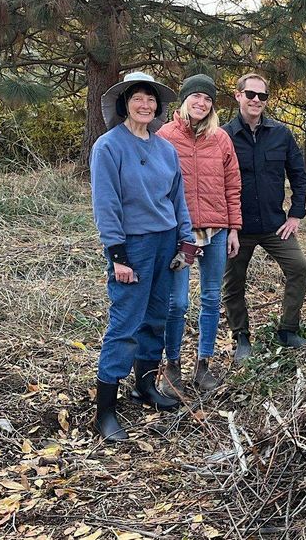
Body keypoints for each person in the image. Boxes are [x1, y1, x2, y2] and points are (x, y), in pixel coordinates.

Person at [90, 72, 196, 441]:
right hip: (132, 246)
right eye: (138, 98)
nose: (145, 104)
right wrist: (117, 254)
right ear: (124, 103)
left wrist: (187, 241)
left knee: (157, 316)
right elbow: (106, 203)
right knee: (126, 323)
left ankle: (146, 387)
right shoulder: (108, 146)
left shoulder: (165, 148)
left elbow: (178, 199)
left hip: (166, 241)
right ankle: (106, 410)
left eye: (151, 99)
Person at [155, 74, 242, 394]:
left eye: (207, 99)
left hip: (217, 230)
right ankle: (172, 366)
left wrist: (234, 228)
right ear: (184, 99)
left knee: (211, 297)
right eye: (196, 97)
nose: (201, 103)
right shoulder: (164, 135)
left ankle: (204, 365)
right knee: (177, 302)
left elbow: (233, 186)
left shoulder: (220, 138)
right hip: (180, 232)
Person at [221, 73, 306, 360]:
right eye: (250, 94)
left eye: (262, 96)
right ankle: (242, 337)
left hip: (275, 225)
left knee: (299, 268)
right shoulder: (222, 136)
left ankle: (288, 330)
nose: (256, 100)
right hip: (237, 227)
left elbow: (299, 176)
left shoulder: (281, 134)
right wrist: (227, 226)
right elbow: (214, 183)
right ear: (238, 96)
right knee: (233, 282)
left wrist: (295, 214)